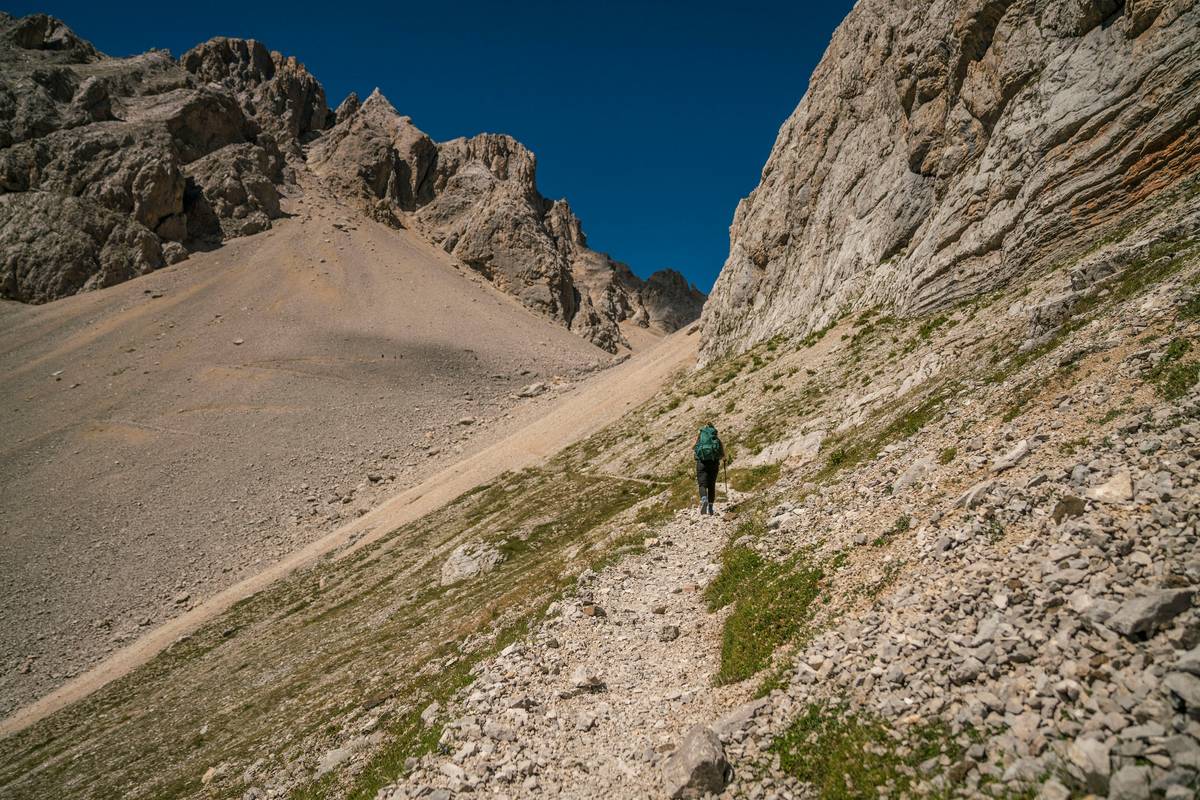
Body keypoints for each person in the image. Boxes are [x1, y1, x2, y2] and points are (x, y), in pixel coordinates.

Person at [693, 423, 725, 515]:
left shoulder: (700, 437)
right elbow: (722, 453)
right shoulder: (715, 438)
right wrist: (724, 459)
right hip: (714, 463)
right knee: (711, 485)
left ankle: (704, 499)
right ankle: (710, 508)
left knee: (702, 484)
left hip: (701, 463)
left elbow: (694, 448)